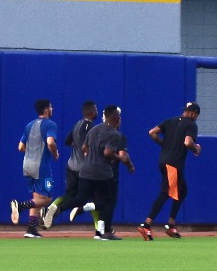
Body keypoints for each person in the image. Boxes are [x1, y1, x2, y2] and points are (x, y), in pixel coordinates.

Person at [57, 104, 133, 240]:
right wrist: (122, 160)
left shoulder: (94, 129)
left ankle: (60, 209)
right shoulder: (115, 135)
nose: (120, 119)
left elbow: (84, 147)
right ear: (115, 118)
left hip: (86, 171)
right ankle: (105, 232)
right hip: (104, 173)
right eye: (119, 116)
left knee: (81, 198)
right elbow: (111, 153)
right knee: (108, 201)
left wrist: (90, 156)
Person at [138, 102, 202, 241]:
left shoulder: (170, 121)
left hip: (163, 161)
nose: (196, 117)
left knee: (182, 190)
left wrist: (165, 145)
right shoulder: (191, 124)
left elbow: (152, 133)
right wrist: (196, 149)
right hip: (173, 164)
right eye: (196, 115)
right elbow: (187, 142)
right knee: (166, 193)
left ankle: (171, 224)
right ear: (193, 113)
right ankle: (146, 225)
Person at [42, 100, 96, 230]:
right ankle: (100, 229)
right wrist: (87, 151)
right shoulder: (89, 126)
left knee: (70, 195)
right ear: (93, 112)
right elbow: (85, 147)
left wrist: (78, 148)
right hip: (84, 169)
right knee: (89, 199)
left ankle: (50, 209)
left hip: (71, 165)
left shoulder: (78, 124)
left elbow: (67, 141)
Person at [10, 99, 58, 238]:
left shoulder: (29, 125)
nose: (52, 109)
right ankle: (20, 206)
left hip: (27, 165)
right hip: (41, 166)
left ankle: (31, 229)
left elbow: (20, 147)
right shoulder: (50, 124)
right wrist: (55, 153)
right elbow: (50, 142)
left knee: (37, 196)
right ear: (46, 110)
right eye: (50, 107)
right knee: (48, 198)